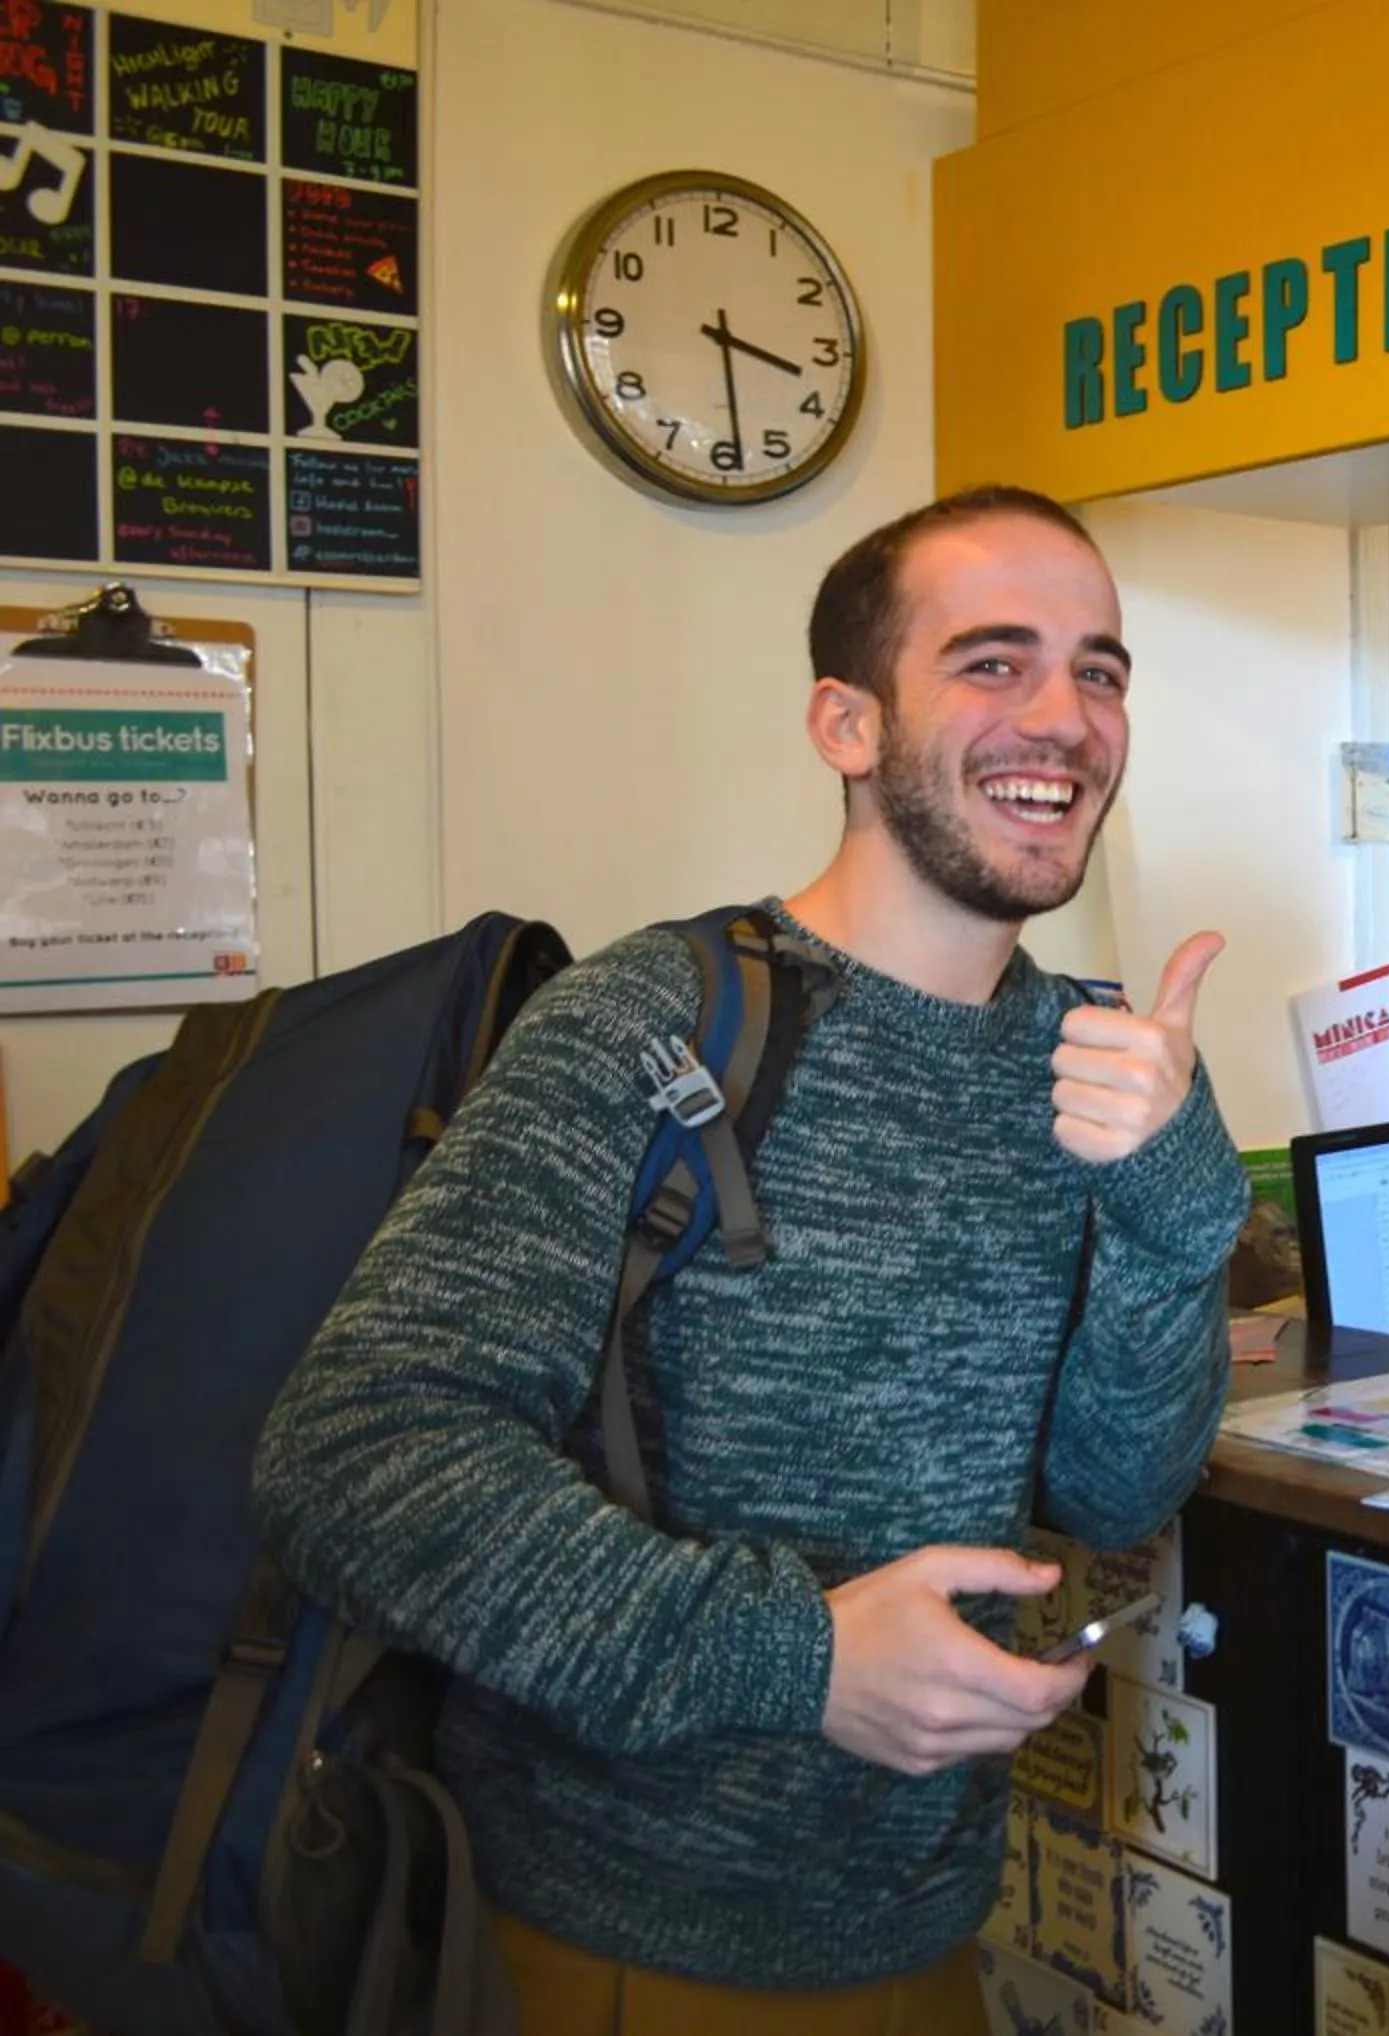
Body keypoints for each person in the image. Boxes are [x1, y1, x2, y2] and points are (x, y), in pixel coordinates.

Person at [253, 485, 1248, 2033]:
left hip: (925, 1919)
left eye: (1099, 670)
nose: (1065, 718)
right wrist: (800, 1659)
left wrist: (1173, 1204)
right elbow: (355, 1461)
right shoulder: (651, 1027)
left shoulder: (1099, 1061)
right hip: (626, 1939)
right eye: (994, 664)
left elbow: (1117, 1487)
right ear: (847, 725)